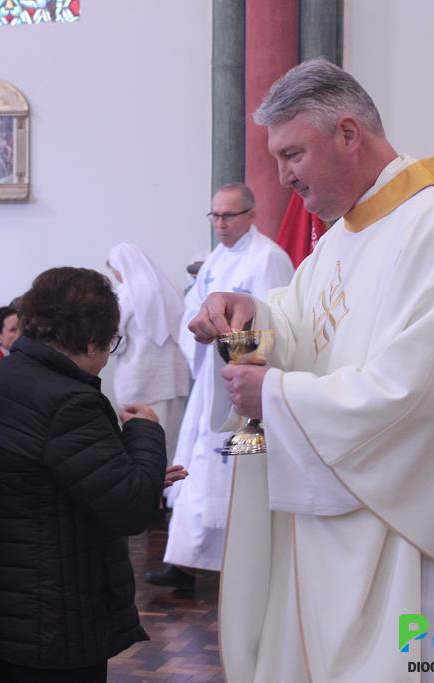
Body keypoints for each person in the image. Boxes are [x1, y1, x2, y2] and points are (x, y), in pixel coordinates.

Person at [188, 59, 434, 681]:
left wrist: (274, 396)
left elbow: (422, 393)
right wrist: (252, 320)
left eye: (292, 155)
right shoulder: (344, 236)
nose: (282, 178)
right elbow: (305, 329)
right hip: (341, 531)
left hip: (420, 540)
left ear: (348, 133)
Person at [0, 267, 187, 683]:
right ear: (93, 339)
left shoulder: (1, 377)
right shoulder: (69, 401)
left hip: (0, 607)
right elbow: (132, 509)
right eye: (111, 342)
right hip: (53, 616)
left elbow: (44, 482)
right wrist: (146, 431)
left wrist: (135, 471)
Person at [146, 183, 294, 591]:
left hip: (241, 388)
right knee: (198, 466)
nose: (221, 224)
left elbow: (277, 322)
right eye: (215, 216)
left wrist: (236, 358)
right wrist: (201, 334)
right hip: (209, 385)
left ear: (251, 215)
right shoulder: (215, 259)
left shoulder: (268, 258)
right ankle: (185, 562)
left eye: (229, 215)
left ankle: (245, 568)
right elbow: (191, 311)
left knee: (239, 474)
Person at [107, 242, 190, 457]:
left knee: (142, 442)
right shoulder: (170, 287)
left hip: (139, 378)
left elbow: (114, 338)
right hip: (173, 378)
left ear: (121, 266)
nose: (115, 275)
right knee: (171, 441)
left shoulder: (124, 294)